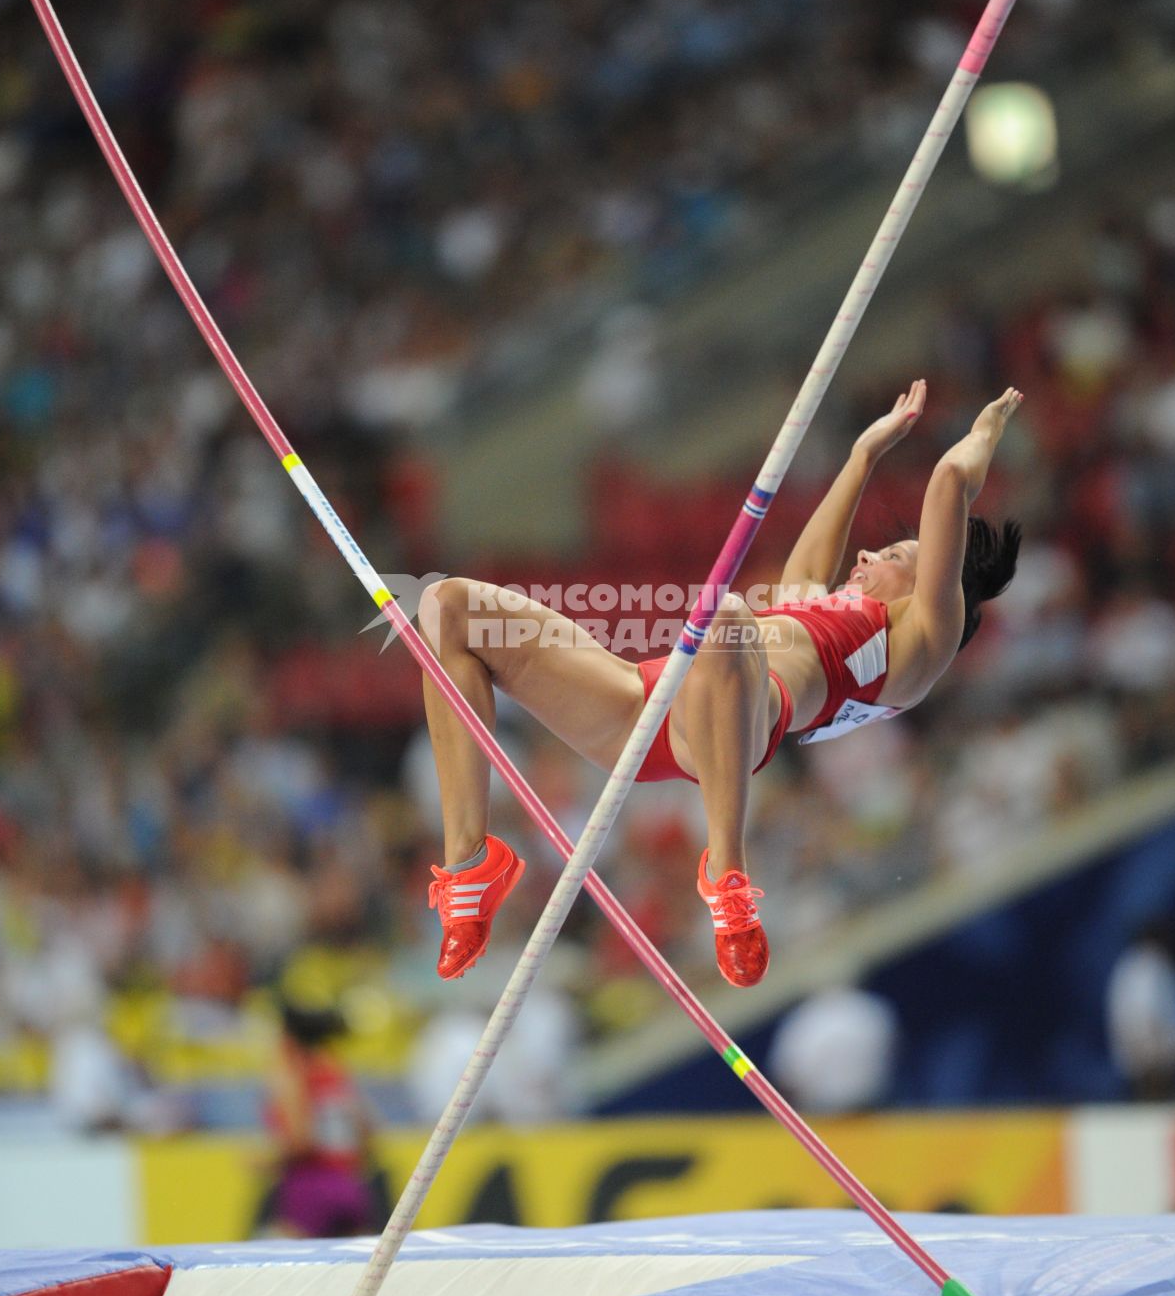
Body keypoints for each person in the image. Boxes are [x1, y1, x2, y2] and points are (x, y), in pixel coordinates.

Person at [420, 381, 1022, 989]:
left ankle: (727, 878)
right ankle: (471, 866)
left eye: (893, 553)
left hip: (741, 723)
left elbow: (948, 481)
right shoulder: (825, 608)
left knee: (728, 619)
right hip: (639, 707)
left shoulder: (921, 647)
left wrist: (986, 432)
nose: (866, 553)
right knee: (447, 608)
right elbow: (810, 569)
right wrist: (862, 457)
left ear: (935, 587)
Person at [256, 1000, 385, 1239]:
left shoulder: (293, 1076)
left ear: (287, 1038)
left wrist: (267, 1161)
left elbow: (301, 1140)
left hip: (310, 1189)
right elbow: (367, 1135)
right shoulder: (336, 1074)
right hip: (351, 1188)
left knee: (282, 1265)